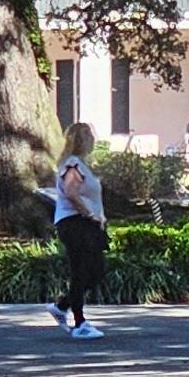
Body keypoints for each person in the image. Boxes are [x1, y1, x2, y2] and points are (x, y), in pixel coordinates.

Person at [52, 120, 111, 340]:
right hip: (75, 223)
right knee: (81, 271)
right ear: (82, 140)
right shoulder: (73, 165)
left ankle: (63, 306)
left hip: (87, 225)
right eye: (89, 135)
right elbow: (71, 192)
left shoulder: (81, 165)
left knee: (96, 272)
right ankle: (79, 323)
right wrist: (89, 214)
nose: (93, 139)